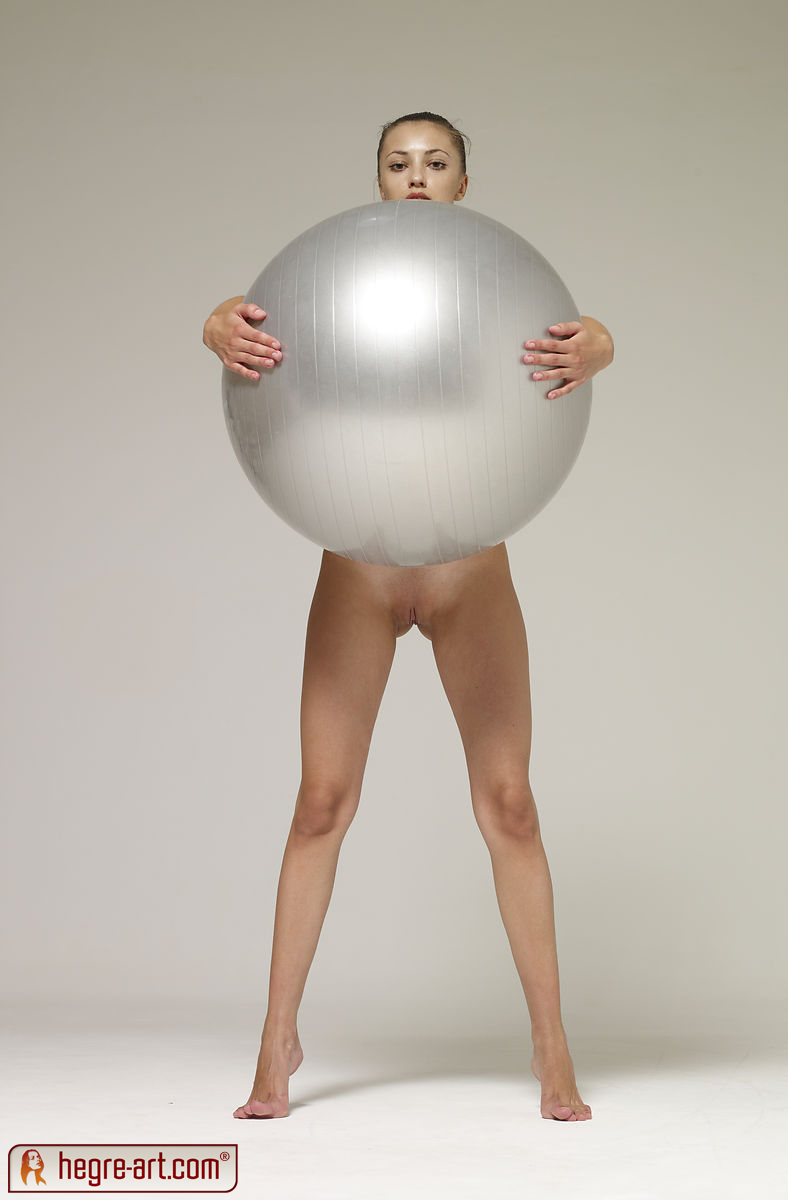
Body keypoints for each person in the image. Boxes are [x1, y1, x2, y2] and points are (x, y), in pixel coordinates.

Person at [203, 112, 614, 1122]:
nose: (417, 176)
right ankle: (276, 1042)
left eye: (436, 163)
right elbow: (250, 329)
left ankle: (551, 1043)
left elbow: (574, 344)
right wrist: (215, 324)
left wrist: (603, 342)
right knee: (321, 802)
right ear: (378, 182)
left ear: (464, 183)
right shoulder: (336, 286)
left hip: (471, 572)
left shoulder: (498, 288)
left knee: (510, 805)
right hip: (361, 569)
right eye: (399, 163)